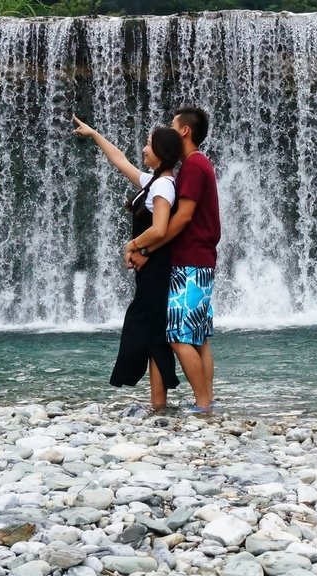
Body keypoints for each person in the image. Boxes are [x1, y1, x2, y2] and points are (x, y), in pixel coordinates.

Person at [72, 114, 183, 410]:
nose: (143, 149)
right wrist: (94, 134)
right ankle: (157, 402)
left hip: (158, 269)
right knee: (152, 333)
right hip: (152, 267)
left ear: (161, 152)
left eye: (148, 145)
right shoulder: (155, 182)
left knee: (147, 329)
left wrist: (131, 246)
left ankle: (160, 402)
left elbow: (159, 229)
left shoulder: (163, 187)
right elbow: (120, 161)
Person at [127, 107, 220, 414]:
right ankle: (206, 400)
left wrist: (144, 249)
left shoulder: (193, 166)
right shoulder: (197, 164)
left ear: (184, 132)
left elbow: (181, 219)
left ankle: (203, 405)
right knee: (199, 339)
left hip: (190, 261)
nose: (167, 130)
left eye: (172, 125)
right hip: (201, 260)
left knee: (180, 337)